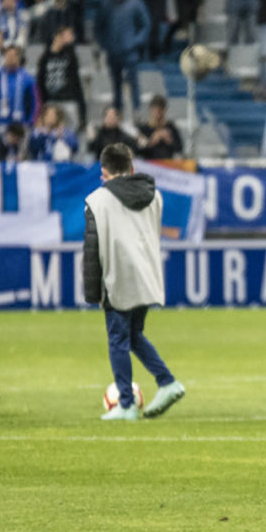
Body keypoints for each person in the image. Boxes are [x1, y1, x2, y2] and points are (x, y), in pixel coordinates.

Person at [82, 143, 185, 421]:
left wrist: (92, 292)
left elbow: (92, 250)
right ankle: (167, 382)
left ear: (104, 171)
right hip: (147, 275)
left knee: (118, 338)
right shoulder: (155, 196)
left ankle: (126, 404)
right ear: (132, 168)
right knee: (134, 335)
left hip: (118, 278)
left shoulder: (96, 201)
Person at [95, 0, 150, 113]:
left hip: (130, 52)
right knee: (116, 84)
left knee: (133, 83)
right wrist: (104, 43)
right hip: (113, 52)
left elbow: (146, 25)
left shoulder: (136, 3)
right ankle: (117, 110)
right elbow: (98, 26)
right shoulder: (107, 5)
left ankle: (137, 110)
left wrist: (135, 41)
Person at [136, 95, 183, 160]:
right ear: (150, 110)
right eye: (155, 110)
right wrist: (152, 141)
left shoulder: (171, 127)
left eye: (160, 110)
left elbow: (179, 149)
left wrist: (169, 140)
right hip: (149, 165)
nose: (157, 113)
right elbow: (139, 150)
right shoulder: (144, 128)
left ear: (164, 110)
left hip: (168, 164)